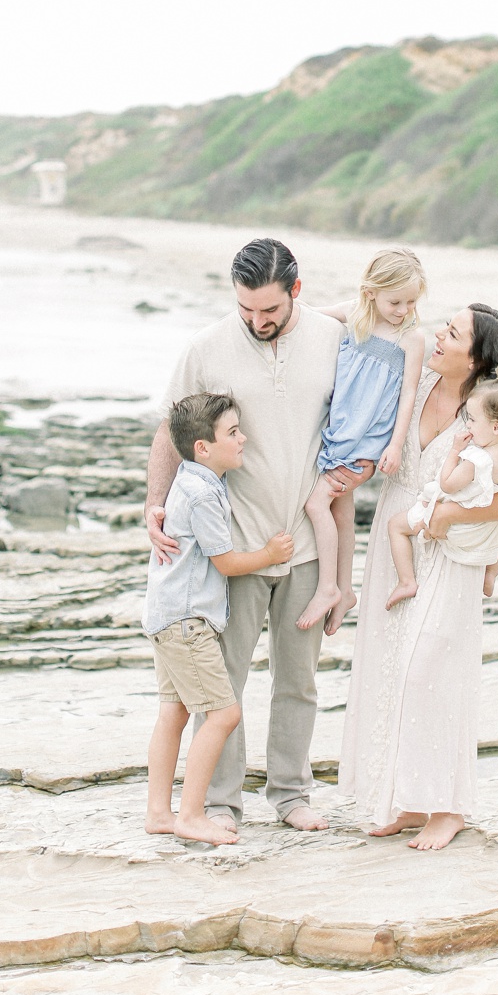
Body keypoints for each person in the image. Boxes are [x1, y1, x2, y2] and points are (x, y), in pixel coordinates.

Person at [145, 238, 342, 835]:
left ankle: (290, 794)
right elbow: (169, 430)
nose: (257, 322)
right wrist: (155, 503)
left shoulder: (334, 342)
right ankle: (221, 801)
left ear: (296, 293)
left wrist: (343, 577)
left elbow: (347, 451)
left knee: (299, 680)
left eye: (269, 311)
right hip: (231, 550)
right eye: (245, 310)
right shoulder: (205, 348)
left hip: (308, 545)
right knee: (223, 687)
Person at [339, 304, 498, 851]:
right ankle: (406, 799)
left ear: (477, 358)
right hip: (397, 532)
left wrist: (448, 519)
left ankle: (448, 805)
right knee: (388, 665)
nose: (438, 336)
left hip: (450, 550)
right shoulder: (419, 377)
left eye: (453, 334)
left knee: (430, 667)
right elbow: (361, 324)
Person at [142, 393, 294, 845]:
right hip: (188, 621)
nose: (243, 437)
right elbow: (225, 563)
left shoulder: (191, 481)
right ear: (202, 447)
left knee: (174, 711)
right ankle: (191, 814)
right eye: (233, 432)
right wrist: (268, 554)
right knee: (224, 714)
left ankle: (158, 812)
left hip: (167, 615)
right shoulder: (202, 493)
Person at [296, 247, 427, 634]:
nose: (403, 310)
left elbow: (408, 394)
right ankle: (347, 591)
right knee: (342, 510)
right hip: (338, 433)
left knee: (316, 502)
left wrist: (395, 445)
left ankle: (327, 588)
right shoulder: (355, 314)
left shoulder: (410, 338)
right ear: (370, 292)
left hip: (366, 442)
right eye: (395, 301)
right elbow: (306, 315)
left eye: (411, 302)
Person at [385, 369, 498, 609]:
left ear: (496, 427)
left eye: (472, 419)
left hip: (459, 525)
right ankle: (491, 575)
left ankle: (406, 581)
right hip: (490, 530)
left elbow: (448, 484)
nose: (468, 425)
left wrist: (454, 452)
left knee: (396, 526)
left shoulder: (478, 459)